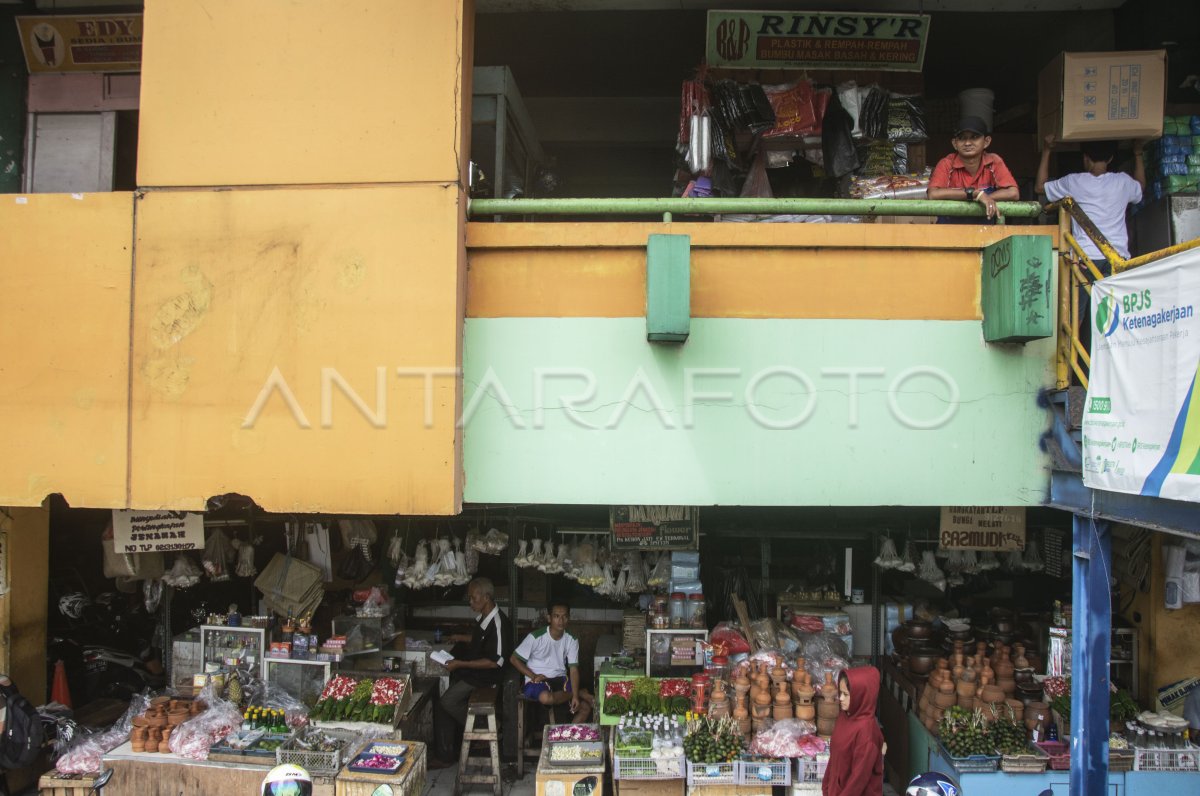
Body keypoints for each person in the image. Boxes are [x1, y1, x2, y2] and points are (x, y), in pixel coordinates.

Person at [429, 577, 512, 768]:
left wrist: (460, 663)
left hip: (486, 677)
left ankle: (482, 730)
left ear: (487, 597)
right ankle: (469, 736)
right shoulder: (485, 616)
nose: (471, 602)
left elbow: (494, 662)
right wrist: (460, 637)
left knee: (446, 701)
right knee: (450, 688)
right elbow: (480, 640)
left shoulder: (498, 623)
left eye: (474, 598)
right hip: (475, 673)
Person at [1036, 135, 1146, 275]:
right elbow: (1141, 187)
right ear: (1111, 158)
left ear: (1085, 158)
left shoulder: (1074, 182)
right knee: (1111, 297)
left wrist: (1046, 151)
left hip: (1085, 257)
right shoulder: (1123, 182)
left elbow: (1040, 188)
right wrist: (1138, 153)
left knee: (1086, 296)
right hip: (1117, 257)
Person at [510, 602, 595, 723]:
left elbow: (574, 669)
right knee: (546, 698)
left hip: (560, 678)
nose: (561, 620)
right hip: (537, 680)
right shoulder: (535, 637)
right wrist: (533, 676)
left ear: (568, 618)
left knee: (585, 708)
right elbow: (514, 659)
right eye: (556, 616)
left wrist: (575, 696)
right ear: (549, 618)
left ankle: (566, 739)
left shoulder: (572, 639)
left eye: (564, 616)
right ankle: (580, 693)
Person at [927, 116, 1020, 222]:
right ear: (954, 143)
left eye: (974, 137)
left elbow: (1013, 193)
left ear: (986, 141)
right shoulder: (946, 163)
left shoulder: (993, 161)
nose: (967, 143)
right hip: (950, 231)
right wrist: (976, 194)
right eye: (962, 138)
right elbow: (933, 194)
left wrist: (986, 198)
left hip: (986, 231)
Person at [822, 665, 884, 796]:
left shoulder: (867, 732)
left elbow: (858, 779)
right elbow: (834, 758)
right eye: (840, 693)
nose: (841, 699)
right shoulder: (845, 716)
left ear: (860, 695)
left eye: (846, 694)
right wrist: (826, 787)